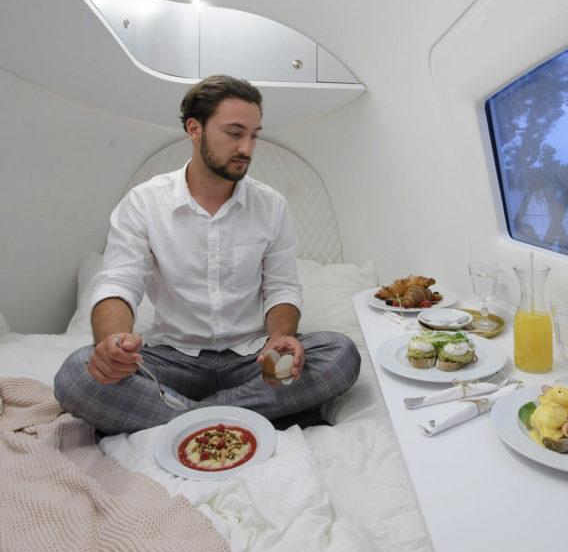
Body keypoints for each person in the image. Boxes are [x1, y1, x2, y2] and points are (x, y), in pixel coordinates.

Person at [54, 75, 361, 434]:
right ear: (194, 128)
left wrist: (281, 338)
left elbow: (281, 287)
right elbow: (119, 282)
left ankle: (184, 418)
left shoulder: (271, 205)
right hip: (172, 360)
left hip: (252, 358)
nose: (247, 147)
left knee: (341, 354)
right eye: (234, 133)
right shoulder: (145, 202)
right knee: (76, 375)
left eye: (254, 135)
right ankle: (240, 415)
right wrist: (113, 345)